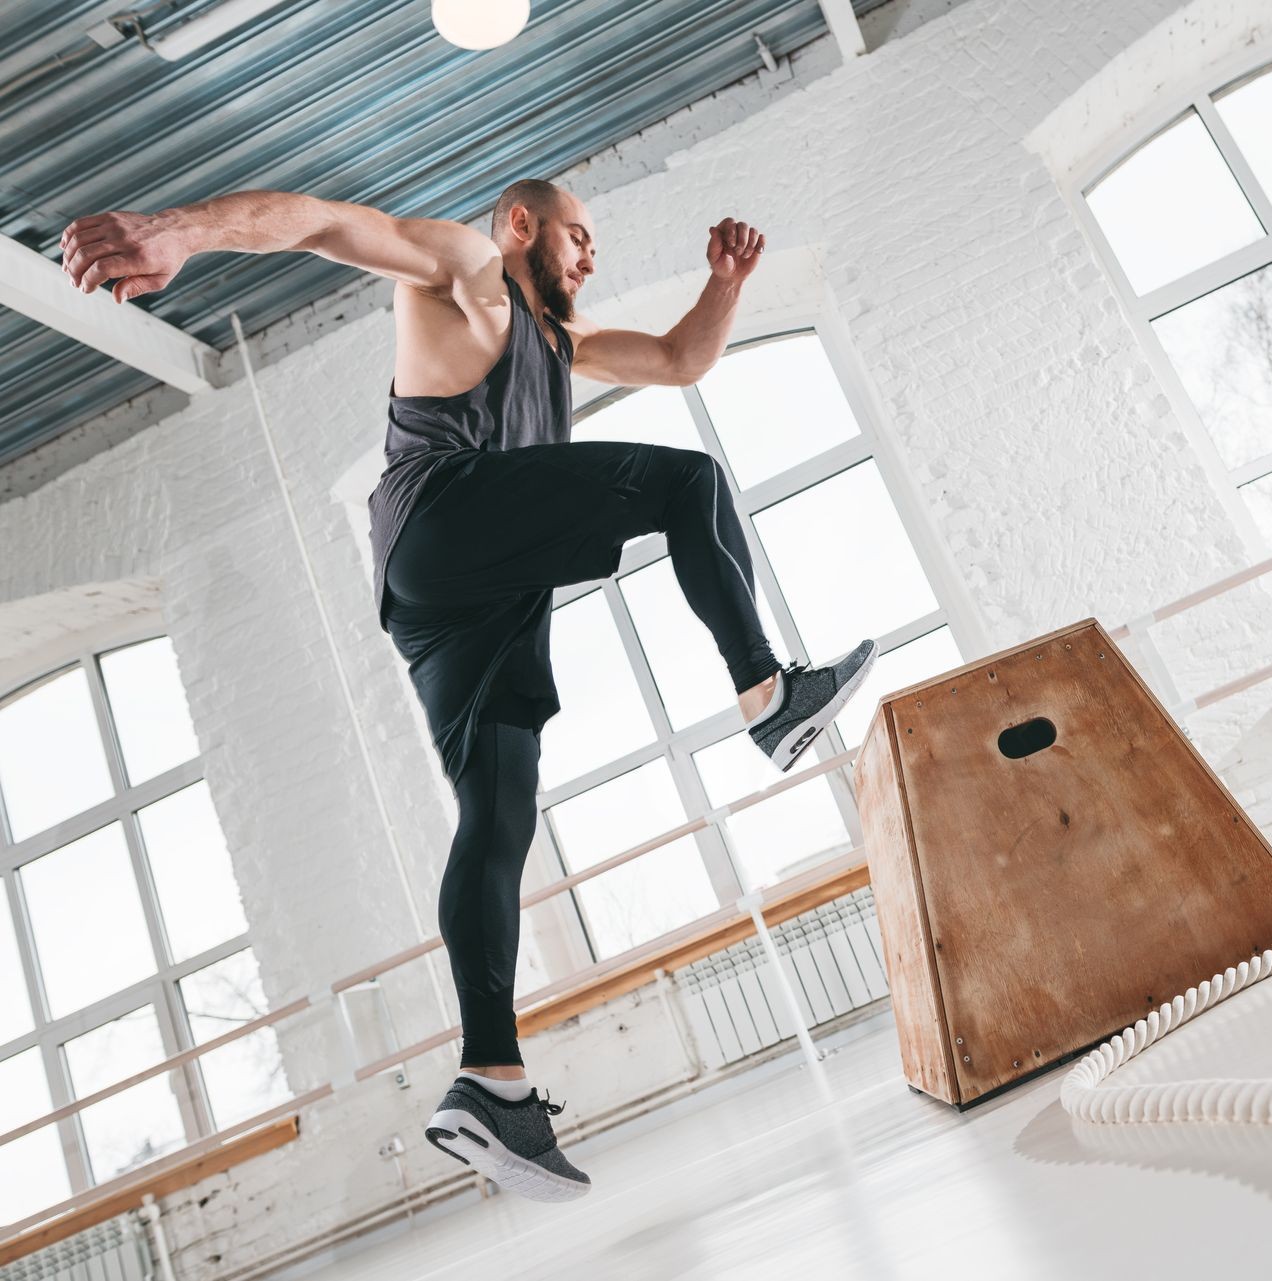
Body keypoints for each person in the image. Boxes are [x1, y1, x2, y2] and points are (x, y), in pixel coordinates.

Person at [60, 180, 877, 1201]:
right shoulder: (467, 269)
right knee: (687, 484)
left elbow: (677, 361)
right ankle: (769, 697)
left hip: (459, 594)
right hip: (444, 516)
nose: (589, 261)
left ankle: (491, 1078)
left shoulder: (563, 347)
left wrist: (725, 285)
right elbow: (327, 225)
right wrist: (172, 230)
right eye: (580, 238)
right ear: (523, 225)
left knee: (498, 813)